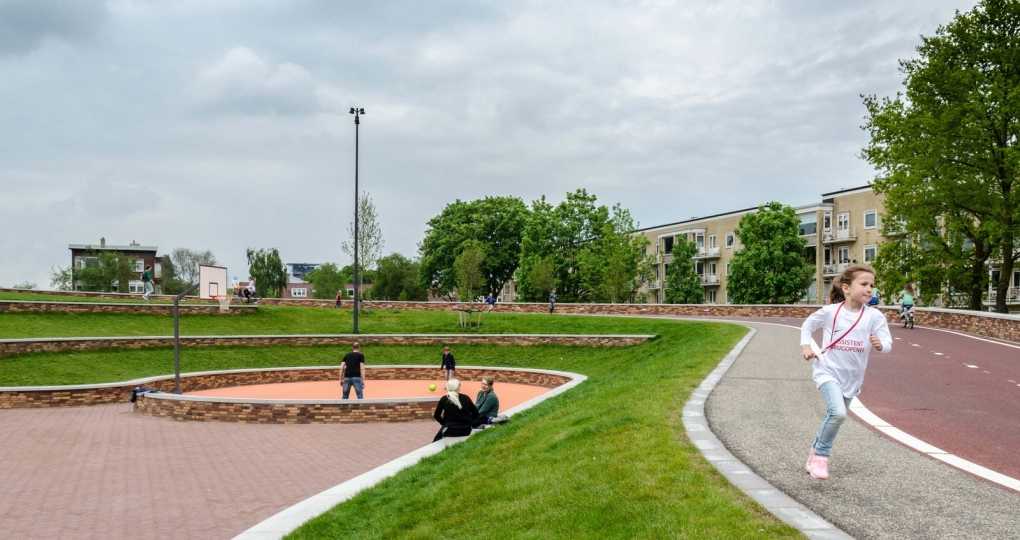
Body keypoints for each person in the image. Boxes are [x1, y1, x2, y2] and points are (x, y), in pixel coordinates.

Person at [800, 264, 892, 480]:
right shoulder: (831, 312)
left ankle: (812, 455)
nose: (869, 289)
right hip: (827, 371)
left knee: (835, 416)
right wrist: (806, 346)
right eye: (864, 284)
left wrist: (880, 345)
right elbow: (807, 325)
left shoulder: (874, 317)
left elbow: (888, 342)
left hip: (852, 378)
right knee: (838, 413)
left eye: (872, 285)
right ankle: (821, 457)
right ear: (846, 288)